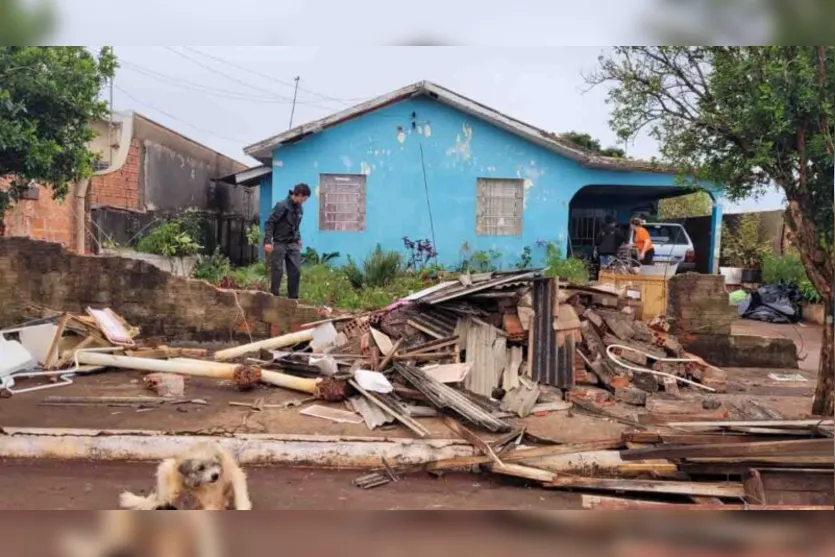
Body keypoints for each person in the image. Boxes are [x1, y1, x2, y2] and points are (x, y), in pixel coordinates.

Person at [264, 183, 311, 298]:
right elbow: (270, 222)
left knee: (296, 270)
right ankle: (274, 297)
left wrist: (298, 238)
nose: (305, 201)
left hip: (292, 243)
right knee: (277, 270)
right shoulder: (282, 206)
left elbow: (296, 226)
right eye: (304, 198)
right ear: (299, 195)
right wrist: (267, 241)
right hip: (280, 242)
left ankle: (293, 299)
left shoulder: (300, 208)